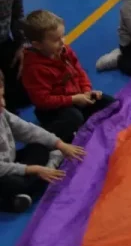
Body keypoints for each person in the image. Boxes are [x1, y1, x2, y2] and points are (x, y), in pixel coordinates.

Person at [21, 10, 114, 144]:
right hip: (53, 109)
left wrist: (86, 91)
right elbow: (43, 101)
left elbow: (79, 71)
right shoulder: (34, 69)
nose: (62, 42)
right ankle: (49, 135)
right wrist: (73, 99)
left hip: (76, 97)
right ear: (37, 45)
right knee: (74, 118)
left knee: (110, 103)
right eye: (56, 40)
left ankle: (78, 122)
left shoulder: (63, 50)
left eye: (62, 36)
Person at [0, 70, 84, 213]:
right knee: (15, 184)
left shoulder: (3, 112)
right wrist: (34, 169)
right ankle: (18, 196)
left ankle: (26, 191)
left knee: (40, 147)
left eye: (2, 96)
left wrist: (59, 144)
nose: (3, 103)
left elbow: (28, 130)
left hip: (10, 163)